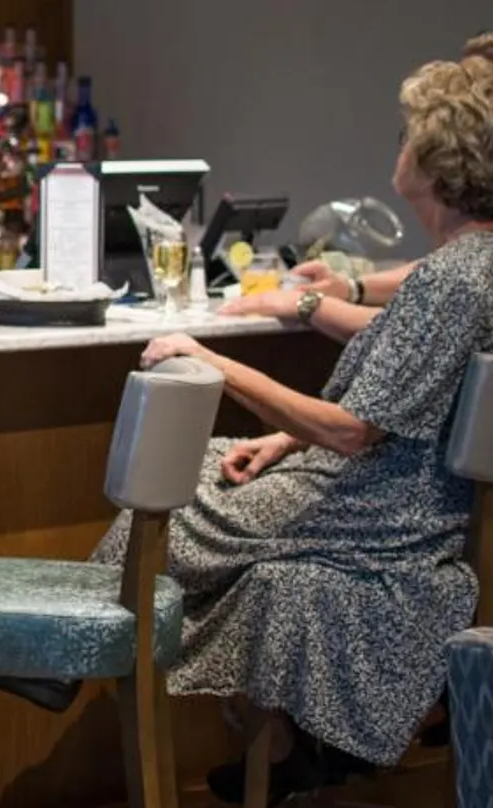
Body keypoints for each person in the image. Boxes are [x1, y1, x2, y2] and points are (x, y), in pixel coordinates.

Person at [82, 55, 493, 804]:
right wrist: (284, 438)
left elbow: (354, 432)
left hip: (383, 513)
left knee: (176, 493)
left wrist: (212, 363)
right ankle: (272, 738)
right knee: (215, 461)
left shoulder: (451, 278)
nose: (397, 146)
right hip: (402, 494)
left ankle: (78, 649)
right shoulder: (473, 265)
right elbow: (402, 394)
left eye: (407, 134)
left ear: (438, 161)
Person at [220, 31, 493, 341]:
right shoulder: (462, 264)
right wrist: (352, 288)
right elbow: (436, 290)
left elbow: (414, 331)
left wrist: (309, 304)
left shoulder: (462, 272)